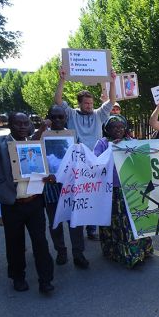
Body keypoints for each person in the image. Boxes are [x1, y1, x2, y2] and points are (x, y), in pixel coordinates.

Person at [0, 113, 55, 293]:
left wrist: (48, 177)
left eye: (25, 123)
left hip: (34, 203)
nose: (22, 126)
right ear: (10, 125)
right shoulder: (0, 143)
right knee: (15, 243)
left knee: (40, 242)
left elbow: (45, 168)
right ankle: (18, 277)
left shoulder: (36, 144)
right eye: (18, 123)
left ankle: (46, 280)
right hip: (12, 204)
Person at [54, 67, 117, 241]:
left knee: (93, 194)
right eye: (86, 103)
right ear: (79, 103)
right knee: (79, 195)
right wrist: (62, 79)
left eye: (91, 103)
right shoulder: (71, 114)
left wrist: (112, 81)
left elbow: (112, 100)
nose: (89, 106)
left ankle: (91, 228)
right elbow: (58, 100)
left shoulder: (98, 115)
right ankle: (78, 226)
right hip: (77, 164)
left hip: (95, 163)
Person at [33, 106, 89, 268]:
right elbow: (30, 147)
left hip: (71, 184)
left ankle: (78, 253)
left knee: (75, 221)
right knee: (55, 221)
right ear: (48, 117)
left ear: (66, 118)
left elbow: (80, 157)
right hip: (50, 185)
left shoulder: (72, 135)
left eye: (60, 117)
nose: (57, 120)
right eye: (54, 117)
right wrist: (42, 128)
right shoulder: (41, 134)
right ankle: (61, 251)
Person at [95, 115, 153, 267]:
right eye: (114, 127)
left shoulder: (131, 142)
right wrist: (111, 148)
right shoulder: (102, 143)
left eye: (121, 127)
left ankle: (138, 251)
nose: (118, 130)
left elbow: (143, 159)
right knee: (116, 223)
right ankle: (116, 252)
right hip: (111, 191)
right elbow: (96, 163)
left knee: (133, 221)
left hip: (131, 189)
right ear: (107, 129)